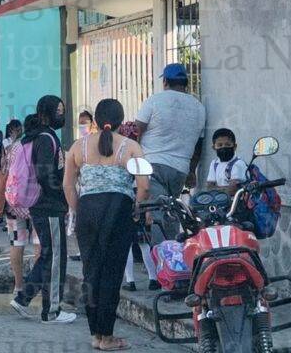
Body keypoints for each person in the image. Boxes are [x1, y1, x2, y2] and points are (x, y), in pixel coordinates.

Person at [64, 99, 150, 349]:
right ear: (122, 121)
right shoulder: (131, 146)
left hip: (88, 211)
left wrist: (78, 209)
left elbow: (68, 185)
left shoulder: (77, 147)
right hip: (118, 211)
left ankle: (95, 335)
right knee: (112, 274)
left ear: (96, 120)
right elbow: (143, 186)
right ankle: (107, 336)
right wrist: (136, 207)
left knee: (91, 273)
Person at [11, 95, 76, 324]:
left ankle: (23, 298)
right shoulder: (46, 138)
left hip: (41, 205)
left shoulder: (36, 136)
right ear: (47, 112)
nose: (62, 115)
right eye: (59, 111)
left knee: (47, 255)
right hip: (49, 206)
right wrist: (63, 196)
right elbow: (46, 174)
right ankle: (52, 311)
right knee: (56, 258)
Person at [134, 63, 206, 240]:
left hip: (153, 165)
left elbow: (136, 131)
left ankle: (163, 260)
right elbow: (199, 144)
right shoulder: (198, 107)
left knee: (158, 214)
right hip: (180, 169)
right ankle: (171, 254)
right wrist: (191, 170)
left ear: (165, 81)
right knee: (171, 212)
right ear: (185, 83)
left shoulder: (154, 100)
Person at [2, 117, 40, 302]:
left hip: (13, 203)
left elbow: (5, 170)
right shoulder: (42, 145)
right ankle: (35, 288)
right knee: (39, 244)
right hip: (36, 204)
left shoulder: (14, 146)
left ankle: (18, 286)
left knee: (16, 244)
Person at [205, 128, 248, 196]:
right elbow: (209, 188)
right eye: (220, 145)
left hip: (237, 204)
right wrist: (225, 189)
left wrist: (215, 188)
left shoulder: (238, 164)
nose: (224, 148)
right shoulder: (214, 164)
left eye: (228, 145)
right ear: (214, 147)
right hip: (219, 203)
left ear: (235, 146)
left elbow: (232, 190)